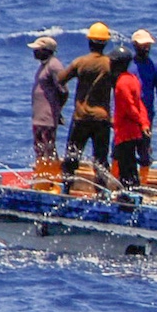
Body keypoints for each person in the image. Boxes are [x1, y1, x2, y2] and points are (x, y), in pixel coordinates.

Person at [59, 22, 117, 193]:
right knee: (100, 160)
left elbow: (61, 79)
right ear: (105, 43)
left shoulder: (80, 62)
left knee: (72, 156)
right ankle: (101, 193)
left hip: (81, 117)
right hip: (102, 118)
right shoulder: (109, 64)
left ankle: (66, 189)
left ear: (89, 42)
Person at [110, 43, 152, 188]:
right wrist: (144, 123)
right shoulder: (133, 78)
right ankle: (133, 189)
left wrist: (140, 122)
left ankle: (128, 195)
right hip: (134, 132)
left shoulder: (121, 83)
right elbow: (140, 105)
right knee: (131, 165)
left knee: (126, 166)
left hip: (125, 132)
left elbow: (130, 107)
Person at [28, 34, 69, 168]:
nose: (34, 52)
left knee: (48, 148)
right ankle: (43, 173)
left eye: (38, 49)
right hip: (39, 117)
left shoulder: (54, 65)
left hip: (47, 117)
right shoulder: (44, 65)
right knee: (40, 148)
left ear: (47, 50)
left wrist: (57, 110)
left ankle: (53, 177)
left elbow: (63, 90)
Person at [130, 29, 157, 138]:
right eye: (143, 45)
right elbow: (118, 91)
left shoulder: (156, 66)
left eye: (148, 45)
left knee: (144, 147)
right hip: (128, 113)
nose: (146, 48)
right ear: (135, 45)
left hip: (147, 112)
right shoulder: (127, 64)